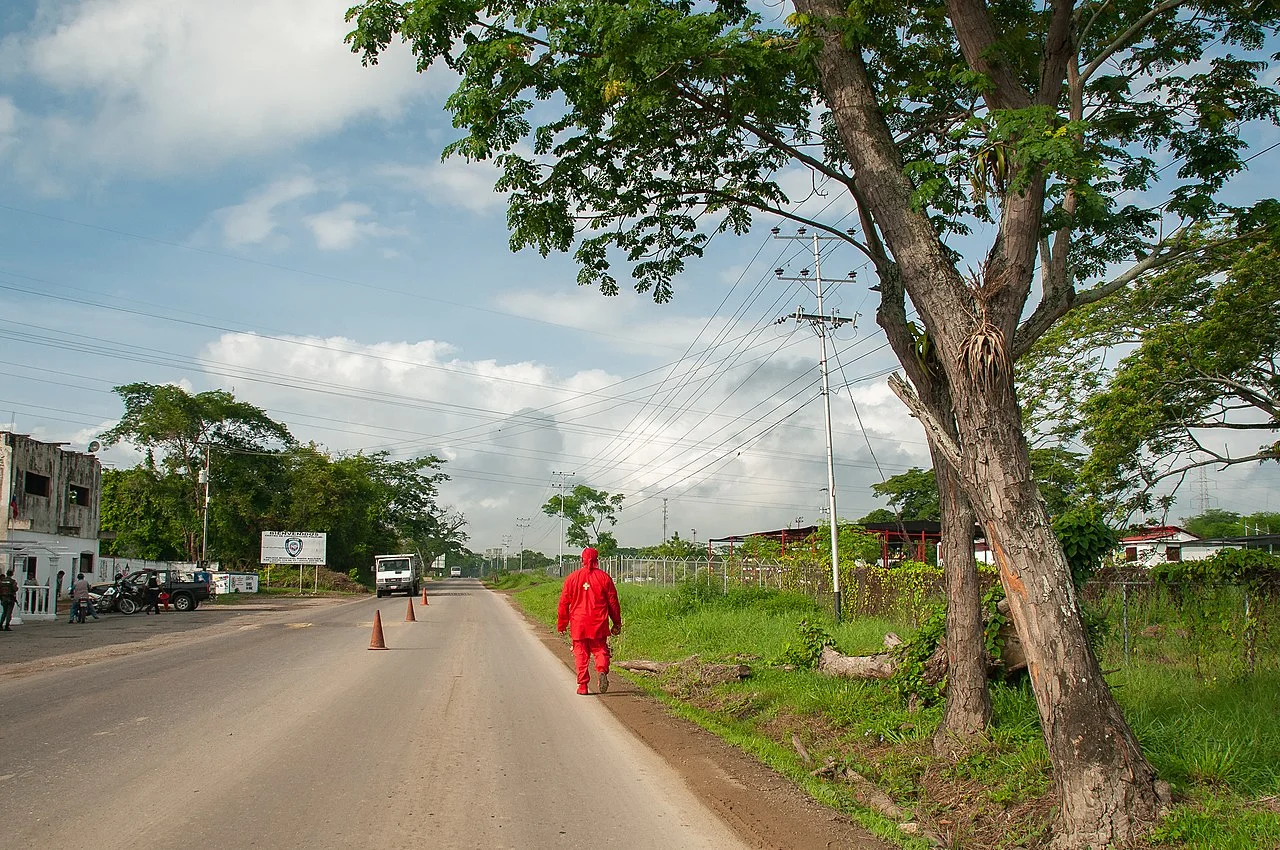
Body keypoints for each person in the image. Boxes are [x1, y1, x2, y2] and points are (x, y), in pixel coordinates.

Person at [556, 547, 622, 695]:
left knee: (580, 653)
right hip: (598, 622)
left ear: (582, 560)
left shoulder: (572, 578)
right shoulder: (604, 578)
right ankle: (602, 670)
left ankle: (583, 686)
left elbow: (563, 604)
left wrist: (562, 625)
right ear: (597, 560)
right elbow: (613, 603)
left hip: (578, 624)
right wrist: (616, 622)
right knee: (600, 650)